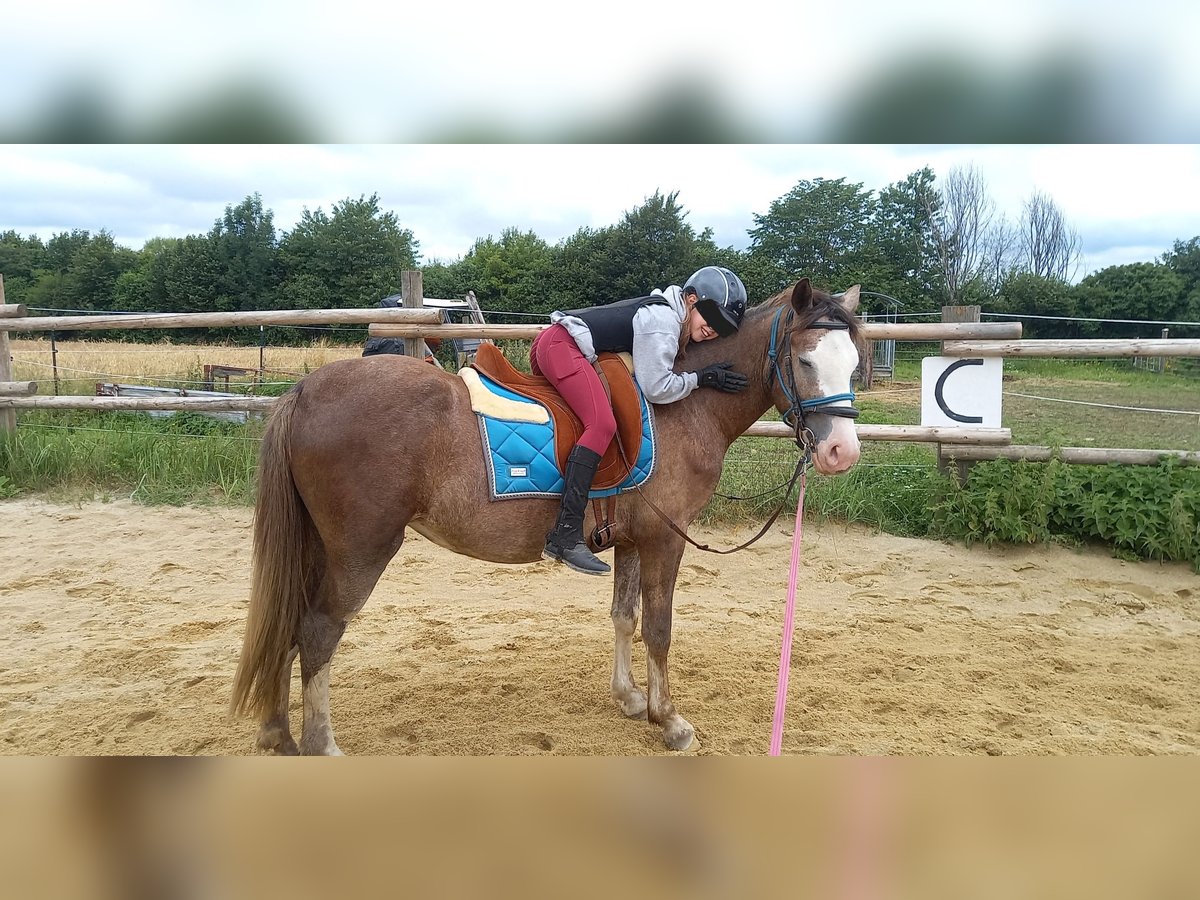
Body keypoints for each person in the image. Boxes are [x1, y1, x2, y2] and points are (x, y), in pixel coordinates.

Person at [531, 265, 750, 575]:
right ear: (690, 300)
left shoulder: (668, 314)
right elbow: (657, 387)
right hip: (562, 346)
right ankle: (565, 533)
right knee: (602, 424)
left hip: (559, 344)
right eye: (712, 317)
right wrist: (700, 378)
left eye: (723, 327)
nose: (713, 329)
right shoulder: (662, 321)